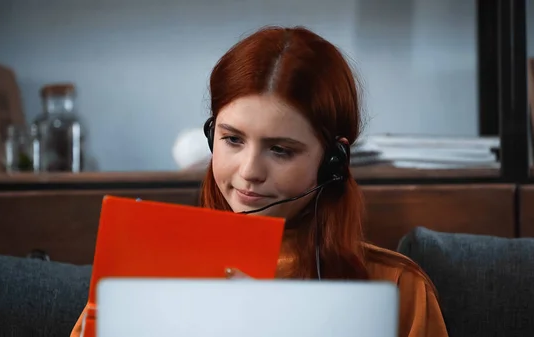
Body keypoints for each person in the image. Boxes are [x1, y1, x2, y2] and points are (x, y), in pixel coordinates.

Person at [71, 26, 448, 337]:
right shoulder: (139, 269)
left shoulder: (398, 288)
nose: (250, 170)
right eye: (232, 139)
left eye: (281, 150)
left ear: (334, 161)